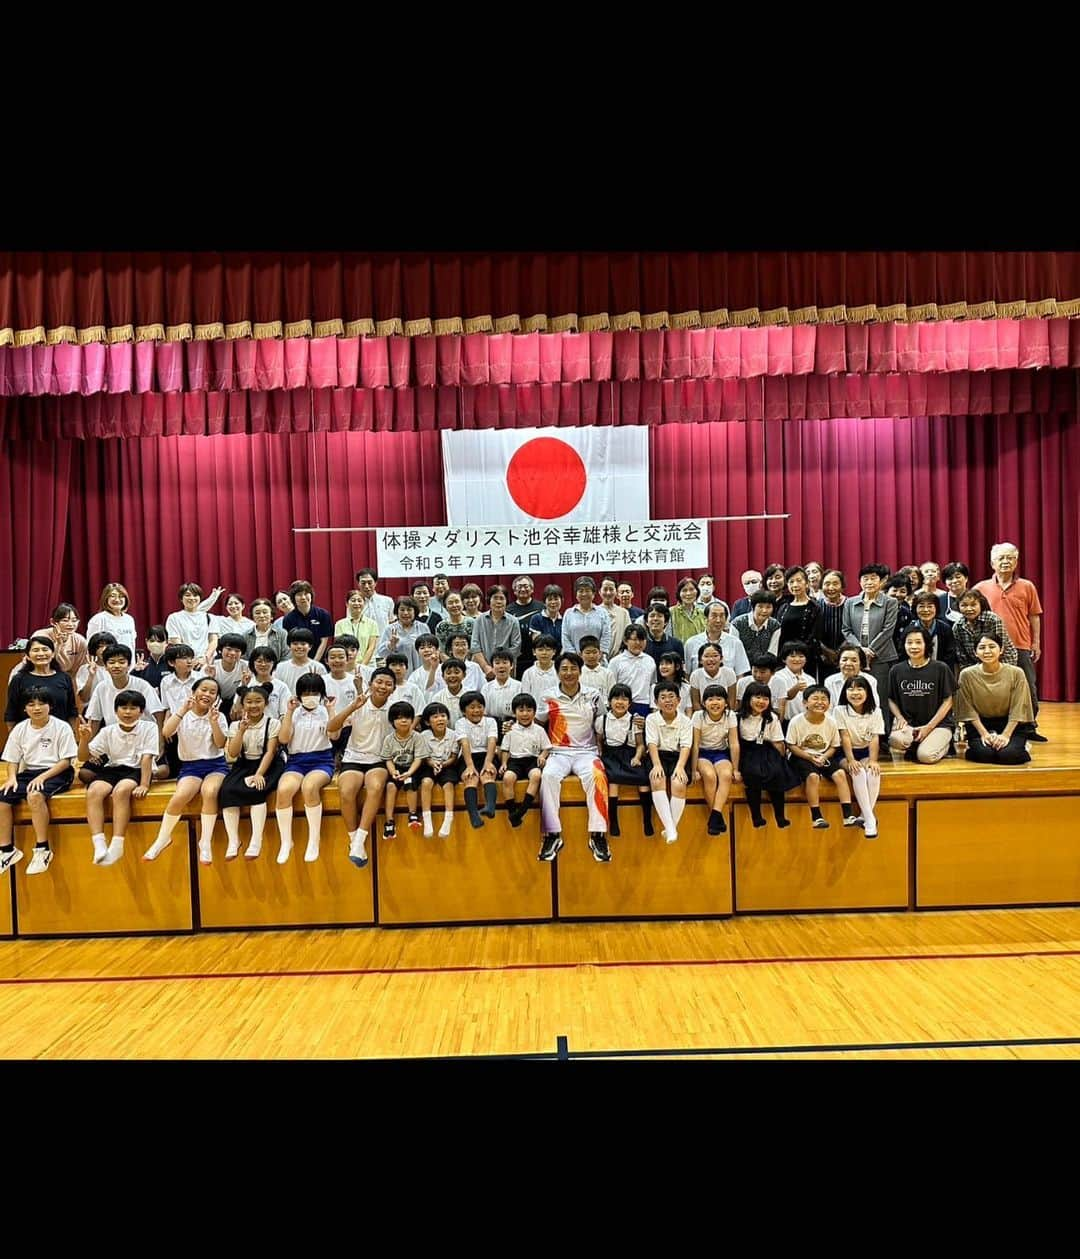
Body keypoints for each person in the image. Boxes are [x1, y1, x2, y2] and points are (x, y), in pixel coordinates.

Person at [144, 677, 228, 866]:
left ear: (216, 697)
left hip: (215, 765)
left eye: (212, 692)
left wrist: (214, 721)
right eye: (203, 690)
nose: (207, 694)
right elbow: (166, 732)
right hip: (190, 767)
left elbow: (221, 744)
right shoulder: (182, 714)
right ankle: (162, 838)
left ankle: (205, 843)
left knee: (210, 791)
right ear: (194, 692)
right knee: (180, 796)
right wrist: (182, 710)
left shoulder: (219, 716)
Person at [537, 652, 609, 863]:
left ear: (580, 671)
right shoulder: (547, 697)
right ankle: (552, 835)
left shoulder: (594, 695)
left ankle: (597, 836)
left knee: (598, 776)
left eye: (573, 669)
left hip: (587, 752)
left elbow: (602, 723)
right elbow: (539, 724)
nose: (569, 673)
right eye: (564, 669)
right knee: (548, 776)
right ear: (557, 672)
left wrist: (601, 747)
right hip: (558, 751)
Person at [0, 687, 77, 875]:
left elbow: (66, 760)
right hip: (29, 772)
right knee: (2, 799)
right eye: (31, 704)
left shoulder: (62, 727)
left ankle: (43, 848)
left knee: (35, 795)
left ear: (50, 706)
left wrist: (43, 776)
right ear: (25, 708)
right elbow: (12, 758)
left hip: (57, 771)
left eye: (41, 703)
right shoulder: (20, 729)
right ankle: (7, 850)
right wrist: (11, 777)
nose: (37, 708)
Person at [973, 542, 1045, 740]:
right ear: (992, 563)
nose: (1005, 562)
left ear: (1016, 561)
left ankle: (1029, 726)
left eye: (1010, 558)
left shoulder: (1027, 586)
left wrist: (1036, 642)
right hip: (989, 649)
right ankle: (996, 727)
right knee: (993, 689)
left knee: (1027, 686)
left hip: (1020, 644)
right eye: (1001, 558)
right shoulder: (981, 587)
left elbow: (1034, 616)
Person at [76, 689, 157, 866]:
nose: (128, 712)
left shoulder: (150, 728)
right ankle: (98, 843)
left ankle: (117, 843)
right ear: (115, 711)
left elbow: (147, 758)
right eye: (123, 707)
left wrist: (144, 784)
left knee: (121, 792)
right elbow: (83, 757)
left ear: (141, 712)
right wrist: (84, 739)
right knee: (94, 791)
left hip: (136, 769)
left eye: (133, 708)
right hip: (113, 768)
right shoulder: (107, 731)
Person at [328, 667, 395, 868]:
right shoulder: (358, 703)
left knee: (375, 787)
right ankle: (353, 839)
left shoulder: (395, 707)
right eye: (379, 682)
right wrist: (352, 707)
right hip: (353, 758)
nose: (383, 686)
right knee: (346, 790)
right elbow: (331, 728)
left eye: (388, 683)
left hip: (379, 759)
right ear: (371, 684)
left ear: (393, 688)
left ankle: (359, 841)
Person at [274, 673, 336, 864]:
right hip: (296, 761)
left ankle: (314, 840)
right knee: (283, 790)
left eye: (315, 692)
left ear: (321, 694)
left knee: (309, 787)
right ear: (299, 695)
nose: (310, 696)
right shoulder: (293, 713)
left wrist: (331, 710)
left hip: (322, 760)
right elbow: (283, 739)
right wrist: (290, 712)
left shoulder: (326, 711)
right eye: (306, 692)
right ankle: (286, 842)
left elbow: (334, 736)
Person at [219, 683, 284, 860]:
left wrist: (259, 774)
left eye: (258, 701)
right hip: (244, 764)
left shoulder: (273, 723)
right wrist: (241, 730)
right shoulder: (235, 725)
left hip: (268, 765)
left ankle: (256, 840)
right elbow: (232, 753)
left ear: (266, 703)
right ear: (242, 704)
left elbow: (271, 751)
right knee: (226, 791)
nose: (253, 705)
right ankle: (234, 840)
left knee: (257, 790)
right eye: (248, 701)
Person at [954, 631, 1034, 765]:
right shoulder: (966, 674)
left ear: (1001, 649)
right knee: (984, 754)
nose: (987, 651)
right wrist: (984, 734)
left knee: (1008, 755)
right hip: (981, 724)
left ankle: (1021, 746)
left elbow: (1019, 707)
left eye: (992, 646)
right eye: (982, 647)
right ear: (975, 652)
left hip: (1010, 724)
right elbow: (967, 708)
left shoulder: (1016, 673)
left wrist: (1006, 735)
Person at [785, 685, 855, 828]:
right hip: (801, 756)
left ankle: (848, 815)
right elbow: (791, 745)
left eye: (824, 699)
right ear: (805, 703)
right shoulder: (796, 721)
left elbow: (834, 746)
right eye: (815, 698)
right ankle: (816, 817)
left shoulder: (831, 722)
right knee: (813, 777)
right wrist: (809, 757)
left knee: (840, 774)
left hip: (823, 755)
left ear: (829, 703)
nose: (820, 702)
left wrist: (824, 757)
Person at [887, 626, 955, 763]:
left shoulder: (941, 668)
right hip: (911, 726)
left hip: (938, 725)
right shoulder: (896, 670)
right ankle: (918, 744)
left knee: (926, 756)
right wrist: (899, 717)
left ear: (926, 644)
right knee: (895, 740)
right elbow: (891, 699)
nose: (914, 646)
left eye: (918, 642)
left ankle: (943, 745)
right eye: (909, 642)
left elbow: (948, 701)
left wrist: (929, 727)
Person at [735, 682, 798, 829]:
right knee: (752, 773)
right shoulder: (737, 717)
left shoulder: (772, 718)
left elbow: (778, 743)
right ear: (748, 698)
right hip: (746, 751)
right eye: (757, 697)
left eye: (765, 698)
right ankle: (756, 816)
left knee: (777, 772)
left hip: (767, 749)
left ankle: (780, 815)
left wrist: (779, 760)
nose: (761, 702)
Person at [842, 563, 899, 719]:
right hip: (855, 658)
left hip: (880, 657)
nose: (869, 582)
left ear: (881, 582)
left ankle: (883, 735)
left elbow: (888, 630)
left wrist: (870, 650)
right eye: (865, 578)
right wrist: (860, 651)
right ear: (860, 581)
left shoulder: (890, 602)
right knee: (856, 695)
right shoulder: (850, 602)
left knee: (880, 697)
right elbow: (846, 630)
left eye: (873, 578)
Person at [595, 684, 652, 838]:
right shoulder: (602, 719)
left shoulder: (635, 720)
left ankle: (647, 819)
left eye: (624, 699)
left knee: (643, 780)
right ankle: (613, 821)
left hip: (630, 753)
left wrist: (637, 757)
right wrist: (599, 752)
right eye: (616, 698)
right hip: (611, 756)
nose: (620, 702)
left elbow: (641, 745)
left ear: (630, 703)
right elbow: (599, 740)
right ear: (609, 701)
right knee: (613, 780)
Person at [835, 674, 884, 838]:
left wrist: (873, 760)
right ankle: (870, 819)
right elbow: (845, 737)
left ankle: (864, 816)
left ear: (868, 692)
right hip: (844, 752)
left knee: (873, 771)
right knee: (857, 771)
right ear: (845, 692)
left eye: (859, 688)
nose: (855, 693)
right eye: (850, 688)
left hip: (865, 751)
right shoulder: (839, 710)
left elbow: (875, 738)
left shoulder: (876, 712)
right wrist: (850, 760)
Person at [645, 681, 693, 844]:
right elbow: (651, 743)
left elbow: (686, 746)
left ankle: (670, 828)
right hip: (657, 756)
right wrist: (657, 764)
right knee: (657, 779)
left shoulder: (686, 721)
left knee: (679, 783)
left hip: (678, 757)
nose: (668, 701)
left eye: (671, 696)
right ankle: (671, 829)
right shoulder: (651, 719)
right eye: (663, 697)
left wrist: (680, 767)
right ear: (656, 702)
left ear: (679, 700)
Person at [5, 635, 78, 734]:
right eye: (35, 650)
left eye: (45, 649)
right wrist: (14, 739)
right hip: (28, 736)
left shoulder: (64, 678)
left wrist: (71, 734)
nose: (41, 653)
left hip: (59, 735)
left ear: (53, 654)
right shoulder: (19, 679)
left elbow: (71, 711)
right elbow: (11, 713)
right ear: (28, 656)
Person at [691, 684, 738, 835]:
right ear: (704, 703)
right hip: (703, 753)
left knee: (725, 775)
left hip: (721, 753)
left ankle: (714, 817)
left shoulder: (730, 715)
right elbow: (695, 745)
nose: (715, 702)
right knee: (710, 776)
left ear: (726, 702)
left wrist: (736, 769)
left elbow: (734, 744)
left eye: (719, 699)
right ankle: (717, 817)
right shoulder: (698, 716)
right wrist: (692, 770)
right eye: (710, 699)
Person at [499, 693, 551, 827]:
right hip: (515, 760)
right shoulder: (510, 730)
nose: (525, 714)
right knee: (507, 778)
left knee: (536, 775)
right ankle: (512, 811)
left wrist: (542, 756)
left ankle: (522, 811)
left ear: (534, 712)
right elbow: (504, 749)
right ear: (514, 712)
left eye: (529, 710)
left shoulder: (539, 730)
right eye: (521, 710)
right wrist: (504, 763)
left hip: (532, 760)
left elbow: (546, 748)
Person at [416, 701, 460, 838]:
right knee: (426, 783)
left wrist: (443, 765)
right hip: (429, 765)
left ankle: (448, 817)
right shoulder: (423, 736)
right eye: (435, 717)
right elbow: (424, 757)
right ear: (428, 722)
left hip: (447, 765)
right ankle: (427, 818)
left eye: (443, 716)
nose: (440, 719)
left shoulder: (454, 735)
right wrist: (432, 763)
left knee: (448, 784)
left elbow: (454, 757)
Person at [456, 691, 499, 828]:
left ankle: (490, 807)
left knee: (488, 775)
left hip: (487, 754)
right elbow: (464, 743)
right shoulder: (460, 723)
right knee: (471, 778)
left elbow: (492, 741)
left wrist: (488, 762)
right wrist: (469, 765)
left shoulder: (491, 721)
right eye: (472, 707)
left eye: (479, 706)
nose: (476, 710)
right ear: (464, 710)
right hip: (468, 756)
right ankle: (474, 816)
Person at [381, 701, 423, 836]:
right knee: (390, 787)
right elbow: (387, 759)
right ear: (392, 721)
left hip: (412, 768)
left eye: (407, 717)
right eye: (399, 718)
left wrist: (409, 772)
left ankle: (412, 814)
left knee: (409, 782)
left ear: (412, 720)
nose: (403, 720)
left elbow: (419, 759)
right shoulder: (388, 739)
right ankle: (389, 821)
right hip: (396, 768)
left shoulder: (417, 737)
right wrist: (393, 772)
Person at [774, 566, 825, 678]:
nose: (795, 585)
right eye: (791, 582)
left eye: (799, 581)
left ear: (806, 583)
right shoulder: (783, 607)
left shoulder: (814, 607)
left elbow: (815, 636)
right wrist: (786, 656)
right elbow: (778, 634)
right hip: (783, 659)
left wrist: (796, 656)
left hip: (805, 659)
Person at [953, 590, 1018, 670]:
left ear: (981, 605)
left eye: (973, 605)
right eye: (964, 605)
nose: (969, 609)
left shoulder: (992, 619)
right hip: (976, 667)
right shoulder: (957, 626)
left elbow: (1002, 647)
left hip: (1003, 662)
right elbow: (962, 655)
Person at [683, 601, 750, 679]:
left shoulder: (735, 643)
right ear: (705, 619)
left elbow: (740, 675)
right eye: (714, 616)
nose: (718, 620)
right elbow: (687, 675)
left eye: (722, 616)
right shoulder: (691, 643)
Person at [23, 602, 88, 678]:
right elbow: (42, 663)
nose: (71, 624)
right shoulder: (41, 636)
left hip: (64, 678)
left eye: (74, 620)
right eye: (65, 620)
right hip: (37, 674)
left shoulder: (80, 641)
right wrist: (58, 644)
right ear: (53, 622)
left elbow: (78, 669)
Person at [470, 585, 522, 679]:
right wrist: (486, 667)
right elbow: (475, 646)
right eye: (495, 598)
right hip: (483, 670)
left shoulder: (513, 621)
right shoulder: (479, 620)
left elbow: (516, 647)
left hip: (506, 671)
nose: (498, 602)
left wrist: (500, 666)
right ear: (489, 600)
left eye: (502, 598)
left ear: (506, 601)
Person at [608, 625, 657, 718]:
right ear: (626, 641)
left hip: (644, 705)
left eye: (641, 639)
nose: (638, 643)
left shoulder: (650, 660)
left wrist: (653, 708)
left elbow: (652, 685)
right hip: (621, 705)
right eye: (634, 639)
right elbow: (611, 687)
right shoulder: (616, 662)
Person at [166, 583, 219, 668]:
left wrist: (204, 658)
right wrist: (189, 659)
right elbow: (176, 642)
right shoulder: (174, 618)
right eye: (187, 595)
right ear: (181, 598)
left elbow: (213, 641)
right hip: (185, 663)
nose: (192, 598)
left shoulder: (210, 617)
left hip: (207, 663)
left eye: (195, 595)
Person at [282, 581, 334, 663]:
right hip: (298, 660)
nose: (303, 597)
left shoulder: (323, 614)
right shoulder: (288, 619)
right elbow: (289, 645)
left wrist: (314, 663)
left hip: (320, 660)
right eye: (299, 594)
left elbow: (324, 642)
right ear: (293, 598)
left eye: (306, 593)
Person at [560, 577, 612, 658]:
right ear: (576, 594)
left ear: (594, 593)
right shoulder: (569, 613)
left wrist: (598, 655)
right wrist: (575, 657)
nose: (584, 594)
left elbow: (606, 636)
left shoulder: (603, 612)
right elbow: (565, 638)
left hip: (598, 660)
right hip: (575, 662)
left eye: (587, 590)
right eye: (581, 591)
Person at [375, 596, 426, 671]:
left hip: (421, 673)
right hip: (397, 674)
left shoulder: (423, 627)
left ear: (415, 611)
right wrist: (390, 645)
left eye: (409, 610)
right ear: (396, 612)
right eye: (402, 610)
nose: (405, 613)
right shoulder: (389, 629)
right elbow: (380, 655)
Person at [507, 575, 543, 679]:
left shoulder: (541, 607)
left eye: (526, 586)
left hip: (538, 657)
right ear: (514, 591)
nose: (523, 589)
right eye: (519, 587)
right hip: (517, 659)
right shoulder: (508, 610)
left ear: (532, 589)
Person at [731, 591, 779, 667]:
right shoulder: (737, 623)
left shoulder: (775, 625)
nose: (764, 611)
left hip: (765, 668)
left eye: (768, 607)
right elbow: (735, 652)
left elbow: (772, 653)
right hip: (741, 667)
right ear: (753, 607)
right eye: (760, 606)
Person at [87, 582, 138, 653]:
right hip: (108, 663)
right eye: (113, 596)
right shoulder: (98, 619)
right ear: (106, 598)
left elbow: (132, 645)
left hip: (128, 663)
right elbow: (91, 646)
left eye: (121, 596)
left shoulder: (129, 619)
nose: (117, 600)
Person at [274, 628, 328, 694]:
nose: (299, 647)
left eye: (303, 644)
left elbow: (323, 692)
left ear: (310, 646)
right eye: (295, 643)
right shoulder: (281, 667)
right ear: (289, 646)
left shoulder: (318, 667)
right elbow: (277, 691)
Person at [911, 592, 957, 668]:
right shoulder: (910, 630)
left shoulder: (945, 629)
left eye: (930, 606)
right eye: (921, 606)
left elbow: (949, 656)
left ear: (936, 608)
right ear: (915, 609)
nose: (926, 610)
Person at [243, 646, 290, 719]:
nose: (263, 664)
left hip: (274, 727)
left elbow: (284, 714)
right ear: (253, 663)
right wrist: (243, 686)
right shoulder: (247, 683)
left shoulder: (281, 686)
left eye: (267, 661)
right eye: (259, 661)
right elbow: (236, 712)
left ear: (273, 663)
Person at [772, 641, 814, 723]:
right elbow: (778, 700)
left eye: (801, 656)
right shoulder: (777, 677)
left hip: (806, 722)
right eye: (792, 656)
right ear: (784, 659)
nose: (797, 659)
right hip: (785, 722)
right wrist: (796, 688)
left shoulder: (810, 679)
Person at [689, 642, 737, 711]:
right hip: (703, 716)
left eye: (715, 656)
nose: (711, 659)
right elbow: (696, 703)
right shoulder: (695, 675)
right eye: (706, 656)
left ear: (721, 659)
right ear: (700, 660)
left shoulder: (729, 673)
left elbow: (731, 701)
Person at [818, 570, 848, 676]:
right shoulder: (817, 605)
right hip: (822, 656)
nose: (831, 588)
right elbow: (814, 633)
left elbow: (853, 630)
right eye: (827, 584)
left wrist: (840, 651)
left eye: (835, 584)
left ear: (842, 586)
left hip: (846, 656)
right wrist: (826, 652)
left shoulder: (850, 604)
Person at [482, 649, 524, 725]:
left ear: (511, 665)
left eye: (505, 662)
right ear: (492, 666)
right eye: (497, 663)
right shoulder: (486, 688)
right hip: (491, 725)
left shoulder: (519, 686)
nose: (501, 666)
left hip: (514, 724)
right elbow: (484, 712)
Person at [244, 597, 289, 663]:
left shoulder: (282, 634)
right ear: (252, 616)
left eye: (265, 612)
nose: (261, 616)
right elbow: (244, 659)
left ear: (271, 616)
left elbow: (286, 657)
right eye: (257, 613)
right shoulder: (246, 635)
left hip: (277, 671)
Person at [354, 568, 394, 634]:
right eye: (363, 583)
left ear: (375, 583)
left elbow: (392, 623)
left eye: (369, 583)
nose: (366, 586)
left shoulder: (387, 601)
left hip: (383, 642)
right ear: (358, 584)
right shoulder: (354, 603)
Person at [642, 603, 683, 667]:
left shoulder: (676, 644)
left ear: (666, 621)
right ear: (646, 622)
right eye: (652, 616)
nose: (655, 619)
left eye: (659, 616)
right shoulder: (641, 643)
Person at [434, 590, 475, 655]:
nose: (454, 605)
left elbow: (476, 649)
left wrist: (468, 664)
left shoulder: (473, 623)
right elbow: (441, 652)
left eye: (457, 601)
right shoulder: (441, 626)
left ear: (462, 603)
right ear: (445, 606)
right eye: (450, 603)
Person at [598, 577, 630, 657]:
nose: (608, 593)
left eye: (611, 589)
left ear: (616, 592)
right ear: (599, 592)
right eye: (605, 589)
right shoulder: (595, 612)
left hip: (619, 659)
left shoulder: (624, 613)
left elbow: (628, 636)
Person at [131, 625, 170, 691]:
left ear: (166, 642)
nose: (155, 644)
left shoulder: (172, 663)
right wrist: (135, 671)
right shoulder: (142, 665)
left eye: (159, 641)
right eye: (152, 641)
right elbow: (131, 686)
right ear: (146, 642)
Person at [670, 577, 707, 646]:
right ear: (679, 594)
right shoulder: (671, 612)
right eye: (684, 590)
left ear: (697, 591)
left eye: (691, 589)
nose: (688, 593)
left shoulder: (703, 613)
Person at [431, 657, 469, 725]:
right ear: (443, 676)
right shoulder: (437, 698)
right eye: (448, 673)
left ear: (464, 675)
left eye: (456, 672)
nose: (452, 676)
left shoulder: (471, 695)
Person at [886, 573, 916, 655]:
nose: (898, 594)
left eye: (903, 591)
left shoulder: (907, 612)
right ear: (887, 591)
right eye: (894, 590)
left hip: (899, 654)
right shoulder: (878, 610)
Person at [654, 651, 692, 716]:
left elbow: (688, 711)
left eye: (667, 664)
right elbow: (655, 711)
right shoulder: (654, 687)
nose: (663, 667)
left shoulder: (686, 687)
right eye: (661, 664)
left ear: (677, 666)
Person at [527, 584, 564, 651]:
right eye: (550, 599)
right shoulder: (536, 619)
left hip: (561, 657)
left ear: (561, 601)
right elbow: (538, 643)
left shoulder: (565, 619)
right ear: (544, 602)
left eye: (556, 599)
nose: (553, 602)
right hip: (544, 657)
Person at [579, 636, 613, 701]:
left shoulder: (608, 674)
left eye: (594, 652)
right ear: (580, 654)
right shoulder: (578, 674)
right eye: (587, 653)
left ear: (600, 653)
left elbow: (612, 695)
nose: (591, 656)